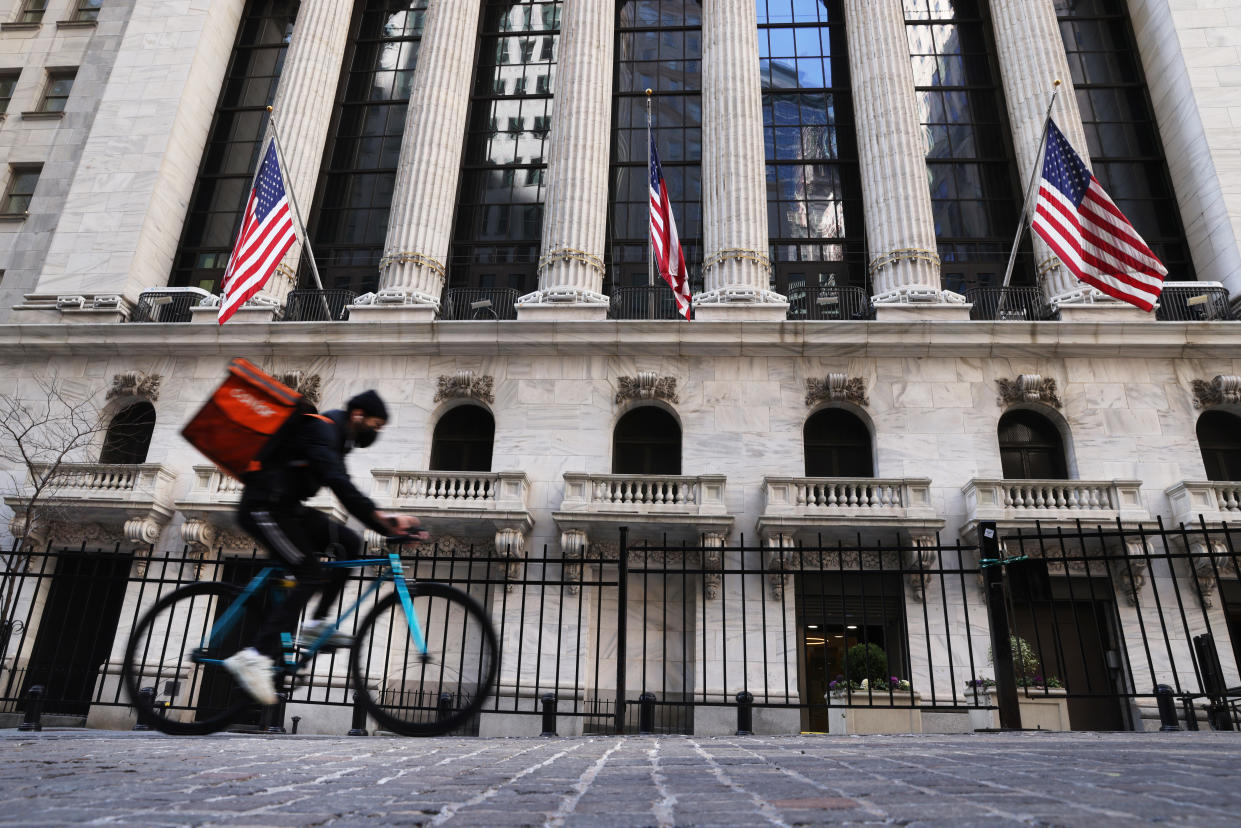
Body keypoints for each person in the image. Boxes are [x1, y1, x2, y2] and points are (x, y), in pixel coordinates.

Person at [223, 389, 423, 704]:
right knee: (309, 570)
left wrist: (380, 522)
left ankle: (315, 623)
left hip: (288, 509)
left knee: (350, 542)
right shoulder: (323, 429)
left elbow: (343, 485)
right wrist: (383, 520)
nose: (375, 433)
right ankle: (254, 656)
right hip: (263, 508)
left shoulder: (337, 439)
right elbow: (340, 486)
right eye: (375, 424)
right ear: (358, 415)